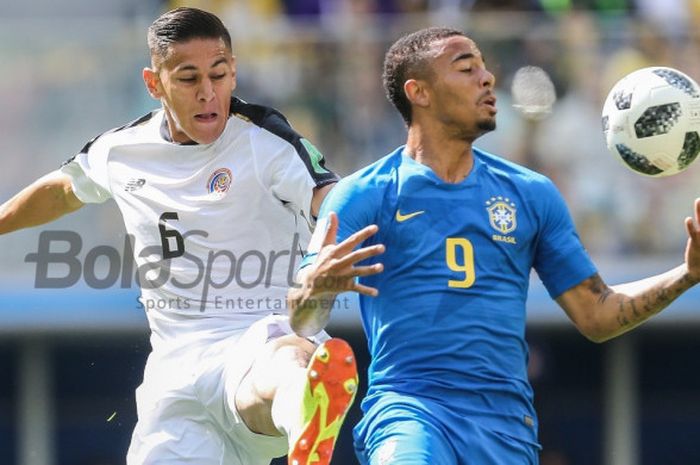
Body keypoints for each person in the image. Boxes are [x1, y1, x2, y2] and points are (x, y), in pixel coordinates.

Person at [287, 27, 700, 465]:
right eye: (466, 68)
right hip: (410, 412)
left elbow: (597, 313)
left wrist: (688, 274)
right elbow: (304, 318)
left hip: (506, 428)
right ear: (419, 92)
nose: (487, 78)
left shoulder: (531, 193)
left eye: (484, 67)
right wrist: (315, 288)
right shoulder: (363, 194)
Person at [0, 7, 358, 465]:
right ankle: (299, 406)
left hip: (257, 331)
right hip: (175, 369)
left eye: (220, 74)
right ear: (154, 83)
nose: (208, 93)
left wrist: (331, 248)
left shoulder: (266, 141)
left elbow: (331, 197)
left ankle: (305, 409)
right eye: (189, 78)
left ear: (234, 73)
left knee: (282, 363)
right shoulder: (120, 149)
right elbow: (63, 191)